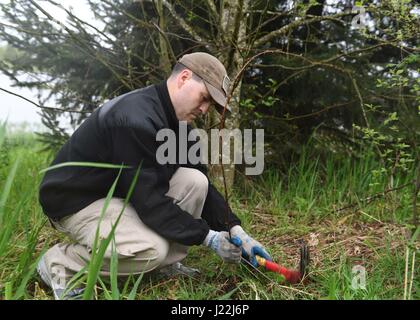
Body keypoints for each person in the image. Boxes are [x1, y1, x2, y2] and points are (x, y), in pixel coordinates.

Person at [37, 52, 272, 299]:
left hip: (121, 194)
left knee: (196, 181)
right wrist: (208, 237)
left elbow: (203, 186)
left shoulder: (179, 125)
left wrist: (234, 229)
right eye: (204, 98)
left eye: (210, 105)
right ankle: (60, 264)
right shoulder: (134, 120)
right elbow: (150, 202)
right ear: (183, 77)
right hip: (78, 202)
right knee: (151, 250)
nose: (204, 109)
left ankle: (160, 266)